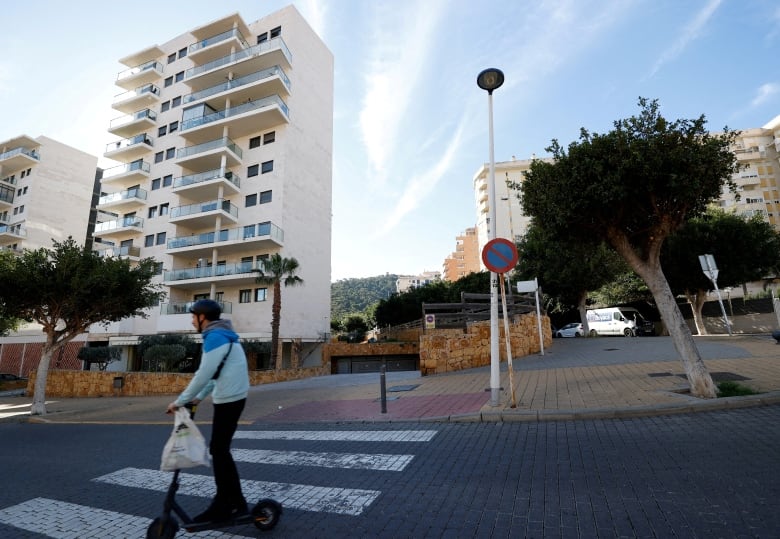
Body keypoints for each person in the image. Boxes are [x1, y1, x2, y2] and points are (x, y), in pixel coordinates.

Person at [166, 299, 250, 523]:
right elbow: (216, 374)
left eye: (194, 316)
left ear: (203, 318)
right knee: (220, 450)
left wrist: (180, 401)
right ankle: (233, 502)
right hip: (231, 397)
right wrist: (198, 397)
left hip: (230, 400)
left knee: (219, 450)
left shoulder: (215, 337)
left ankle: (228, 503)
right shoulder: (222, 335)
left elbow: (203, 374)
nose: (192, 320)